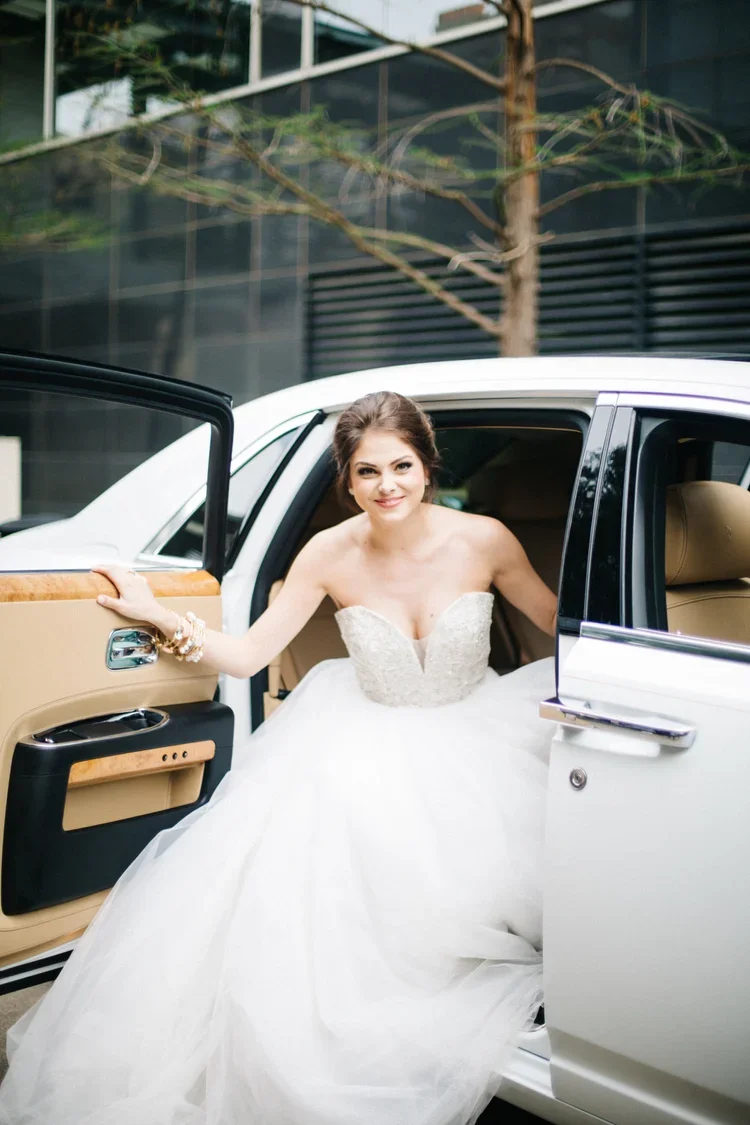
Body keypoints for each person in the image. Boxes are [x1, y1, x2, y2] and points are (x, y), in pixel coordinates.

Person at [0, 390, 557, 1125]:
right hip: (363, 742)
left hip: (481, 733)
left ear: (426, 466)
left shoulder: (485, 539)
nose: (386, 485)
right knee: (339, 878)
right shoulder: (328, 554)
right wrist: (159, 614)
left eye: (400, 465)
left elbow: (556, 622)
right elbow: (252, 651)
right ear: (347, 479)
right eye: (366, 471)